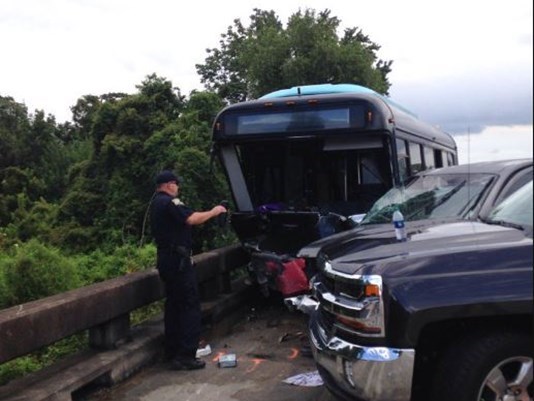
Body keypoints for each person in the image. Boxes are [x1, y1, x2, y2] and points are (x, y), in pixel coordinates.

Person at [150, 170, 227, 370]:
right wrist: (214, 212)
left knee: (174, 306)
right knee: (189, 306)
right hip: (178, 261)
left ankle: (172, 351)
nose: (178, 187)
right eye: (176, 184)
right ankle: (186, 355)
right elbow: (191, 219)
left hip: (167, 259)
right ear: (168, 185)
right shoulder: (169, 202)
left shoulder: (156, 203)